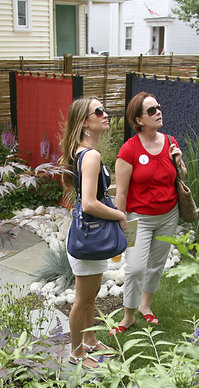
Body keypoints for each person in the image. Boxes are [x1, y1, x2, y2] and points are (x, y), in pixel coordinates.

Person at [111, 92, 185, 333]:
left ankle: (145, 305)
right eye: (151, 110)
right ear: (139, 120)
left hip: (168, 216)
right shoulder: (128, 150)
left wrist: (179, 161)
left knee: (156, 264)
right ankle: (128, 315)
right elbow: (121, 192)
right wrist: (120, 220)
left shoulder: (170, 141)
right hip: (137, 219)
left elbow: (180, 176)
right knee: (134, 268)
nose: (158, 112)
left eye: (159, 107)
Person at [59, 97, 125, 367]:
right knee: (82, 299)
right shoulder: (91, 155)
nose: (105, 114)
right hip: (90, 237)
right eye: (98, 112)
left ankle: (89, 340)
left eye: (104, 110)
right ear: (85, 122)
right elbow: (89, 203)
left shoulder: (81, 151)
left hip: (87, 235)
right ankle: (76, 353)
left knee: (91, 295)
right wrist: (120, 214)